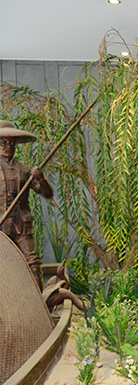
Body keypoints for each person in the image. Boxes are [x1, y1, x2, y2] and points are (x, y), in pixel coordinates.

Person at [0, 120, 53, 290]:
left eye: (11, 143)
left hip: (22, 225)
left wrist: (41, 178)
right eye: (3, 143)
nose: (8, 147)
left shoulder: (24, 170)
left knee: (33, 264)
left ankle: (39, 302)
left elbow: (47, 193)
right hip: (1, 226)